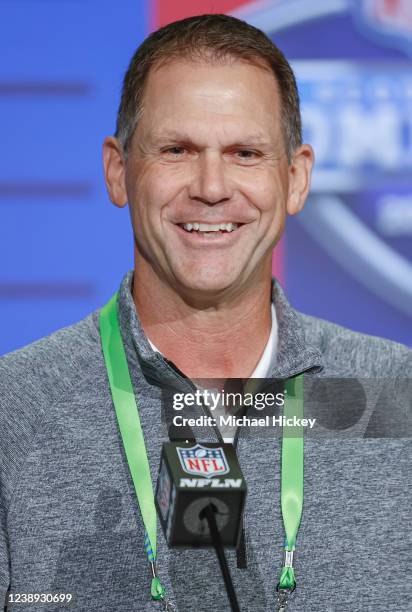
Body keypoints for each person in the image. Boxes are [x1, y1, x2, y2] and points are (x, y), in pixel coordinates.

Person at [0, 14, 410, 612]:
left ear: (295, 179)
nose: (212, 187)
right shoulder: (13, 410)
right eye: (177, 150)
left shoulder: (397, 397)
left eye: (246, 153)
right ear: (118, 170)